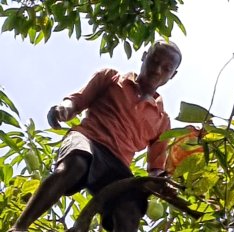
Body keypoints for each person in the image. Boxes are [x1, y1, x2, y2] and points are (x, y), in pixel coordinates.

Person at [10, 40, 182, 232]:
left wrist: (164, 184)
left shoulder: (162, 120)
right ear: (144, 57)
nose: (157, 70)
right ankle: (20, 227)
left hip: (117, 165)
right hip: (88, 140)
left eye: (166, 68)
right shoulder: (111, 78)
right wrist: (62, 110)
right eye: (154, 61)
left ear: (172, 75)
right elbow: (76, 101)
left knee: (130, 207)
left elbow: (156, 168)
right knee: (76, 164)